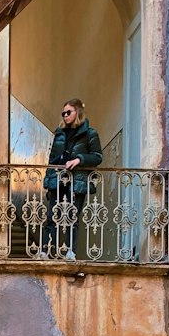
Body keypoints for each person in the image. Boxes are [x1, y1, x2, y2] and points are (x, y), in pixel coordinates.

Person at [40, 97, 103, 259]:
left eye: (68, 112)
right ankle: (45, 250)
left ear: (77, 112)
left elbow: (97, 157)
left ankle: (70, 252)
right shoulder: (59, 134)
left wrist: (79, 159)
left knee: (72, 217)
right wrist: (48, 181)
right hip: (57, 180)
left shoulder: (90, 133)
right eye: (63, 113)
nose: (65, 116)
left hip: (77, 181)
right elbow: (51, 159)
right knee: (53, 216)